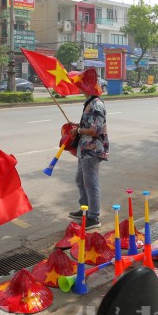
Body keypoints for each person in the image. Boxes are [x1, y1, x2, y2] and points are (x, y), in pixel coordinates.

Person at [68, 69, 109, 230]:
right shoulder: (90, 103)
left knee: (91, 183)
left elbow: (96, 130)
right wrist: (78, 125)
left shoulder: (96, 104)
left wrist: (78, 131)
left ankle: (94, 217)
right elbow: (89, 125)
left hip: (93, 150)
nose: (79, 88)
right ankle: (84, 208)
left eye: (81, 85)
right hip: (84, 149)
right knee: (80, 180)